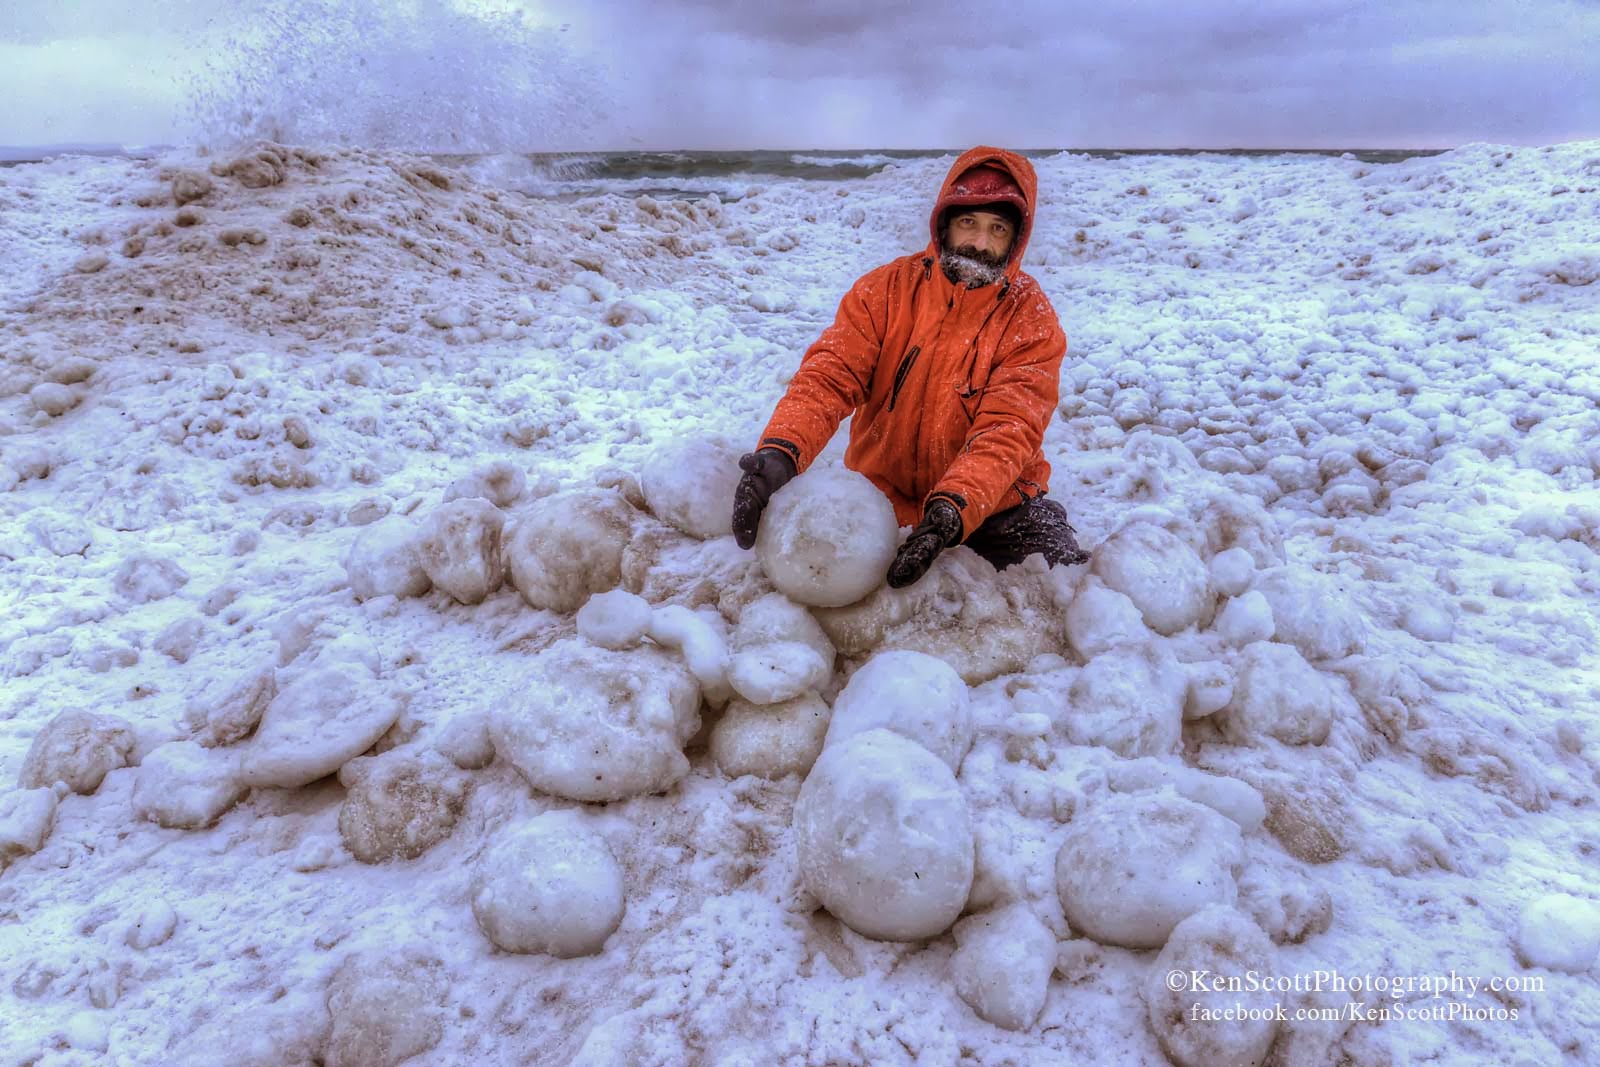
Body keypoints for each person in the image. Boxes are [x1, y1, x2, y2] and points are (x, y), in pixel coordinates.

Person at [731, 145, 1090, 588]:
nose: (979, 243)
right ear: (944, 223)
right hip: (883, 501)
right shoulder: (884, 291)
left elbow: (1008, 430)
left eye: (997, 228)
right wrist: (780, 453)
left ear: (1017, 238)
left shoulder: (1031, 320)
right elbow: (827, 379)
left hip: (996, 506)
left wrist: (951, 511)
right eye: (968, 223)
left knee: (1065, 588)